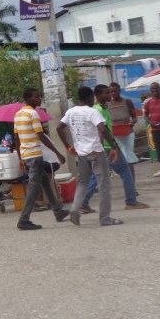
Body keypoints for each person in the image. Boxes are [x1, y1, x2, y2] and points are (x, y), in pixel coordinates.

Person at [57, 86, 123, 227]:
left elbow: (59, 128)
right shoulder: (92, 112)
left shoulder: (70, 112)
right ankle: (105, 218)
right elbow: (103, 129)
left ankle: (75, 209)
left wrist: (68, 146)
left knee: (82, 182)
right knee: (104, 184)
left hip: (81, 154)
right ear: (89, 97)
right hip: (96, 152)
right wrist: (114, 147)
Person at [79, 84, 149, 211]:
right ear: (98, 95)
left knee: (97, 175)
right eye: (106, 93)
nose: (109, 95)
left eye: (110, 92)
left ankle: (83, 202)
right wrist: (113, 147)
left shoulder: (98, 108)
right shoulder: (99, 110)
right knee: (125, 171)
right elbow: (103, 130)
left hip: (102, 146)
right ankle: (131, 201)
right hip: (106, 146)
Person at [13, 88, 68, 230]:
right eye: (36, 97)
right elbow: (41, 135)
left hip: (26, 155)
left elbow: (16, 137)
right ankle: (23, 219)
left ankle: (58, 211)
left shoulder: (18, 115)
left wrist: (20, 158)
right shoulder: (33, 113)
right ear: (28, 98)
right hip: (34, 155)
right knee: (33, 188)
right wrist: (58, 153)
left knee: (45, 182)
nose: (39, 99)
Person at [108, 82, 140, 181]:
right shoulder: (108, 104)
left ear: (119, 91)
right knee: (119, 159)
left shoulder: (127, 102)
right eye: (111, 92)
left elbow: (134, 117)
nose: (113, 93)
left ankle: (132, 185)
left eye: (115, 91)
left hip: (128, 133)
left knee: (128, 158)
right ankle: (127, 181)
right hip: (115, 135)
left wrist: (131, 123)